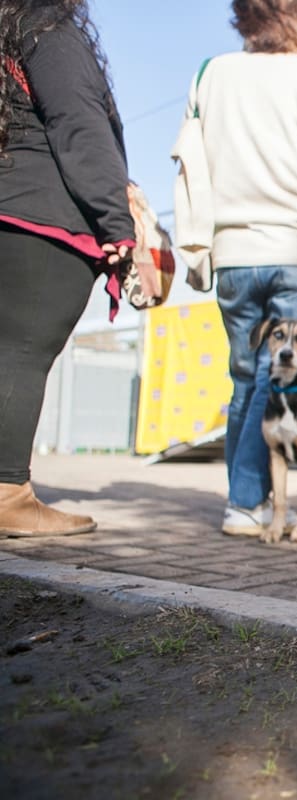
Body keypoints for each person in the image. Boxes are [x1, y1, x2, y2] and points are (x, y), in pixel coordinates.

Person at [186, 0, 297, 536]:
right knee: (280, 371)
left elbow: (191, 159)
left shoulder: (212, 75)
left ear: (244, 18)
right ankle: (253, 502)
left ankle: (245, 503)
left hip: (234, 251)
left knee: (247, 374)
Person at [0, 0, 135, 537]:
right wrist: (116, 221)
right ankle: (9, 493)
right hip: (42, 220)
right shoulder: (46, 29)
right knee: (24, 351)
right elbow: (78, 122)